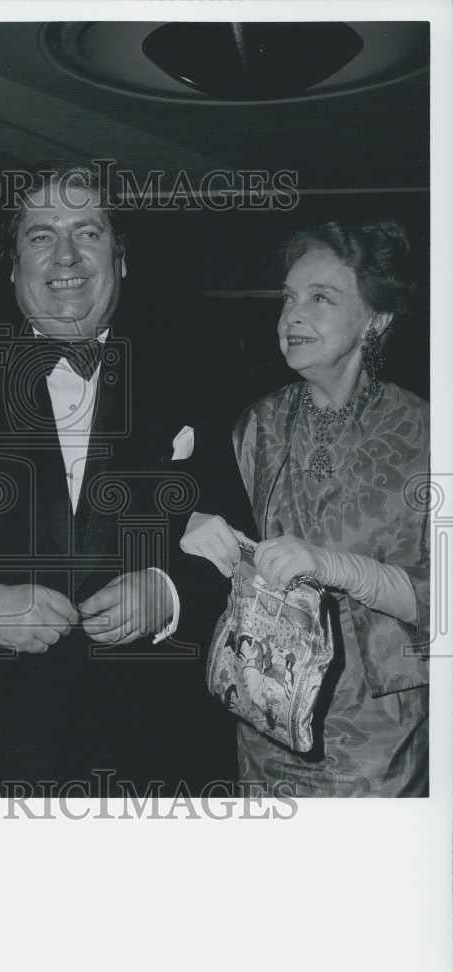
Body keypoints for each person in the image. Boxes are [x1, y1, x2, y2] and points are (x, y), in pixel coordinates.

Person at [0, 163, 256, 795]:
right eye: (41, 235)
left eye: (87, 232)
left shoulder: (193, 375)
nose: (65, 255)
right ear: (13, 267)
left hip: (148, 756)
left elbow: (238, 534)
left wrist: (168, 592)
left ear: (121, 260)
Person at [181, 220, 429, 796]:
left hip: (376, 741)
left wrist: (338, 567)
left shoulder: (427, 433)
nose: (293, 315)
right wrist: (192, 526)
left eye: (321, 298)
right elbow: (206, 554)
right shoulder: (256, 424)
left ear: (376, 318)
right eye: (289, 298)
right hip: (264, 719)